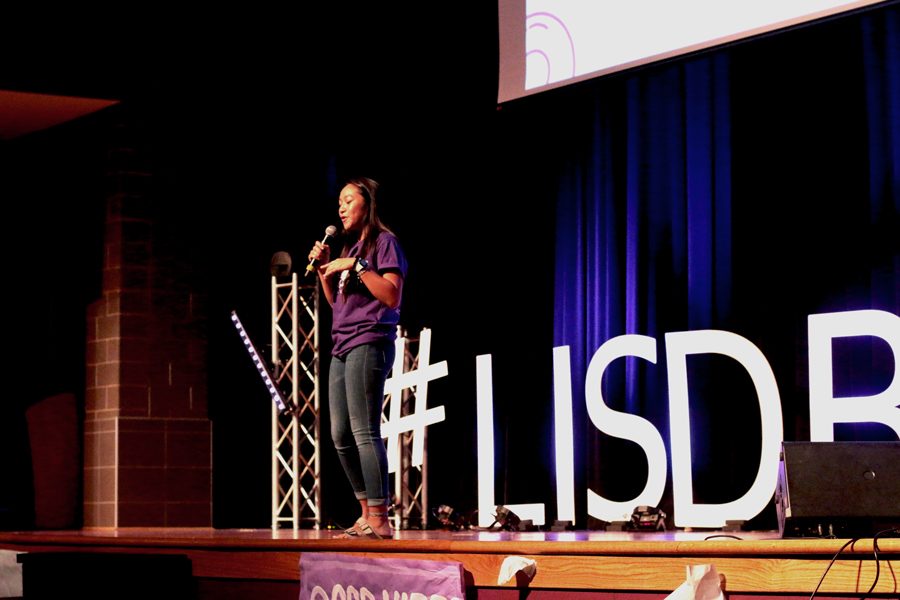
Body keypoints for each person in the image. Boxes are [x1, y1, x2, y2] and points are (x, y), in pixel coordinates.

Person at [308, 176, 407, 540]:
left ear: (368, 203)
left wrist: (357, 266)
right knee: (338, 434)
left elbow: (392, 296)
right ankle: (365, 511)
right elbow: (339, 304)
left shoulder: (384, 243)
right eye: (339, 201)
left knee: (365, 429)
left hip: (370, 340)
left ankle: (380, 515)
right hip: (342, 343)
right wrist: (325, 267)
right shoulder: (347, 249)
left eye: (349, 200)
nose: (342, 207)